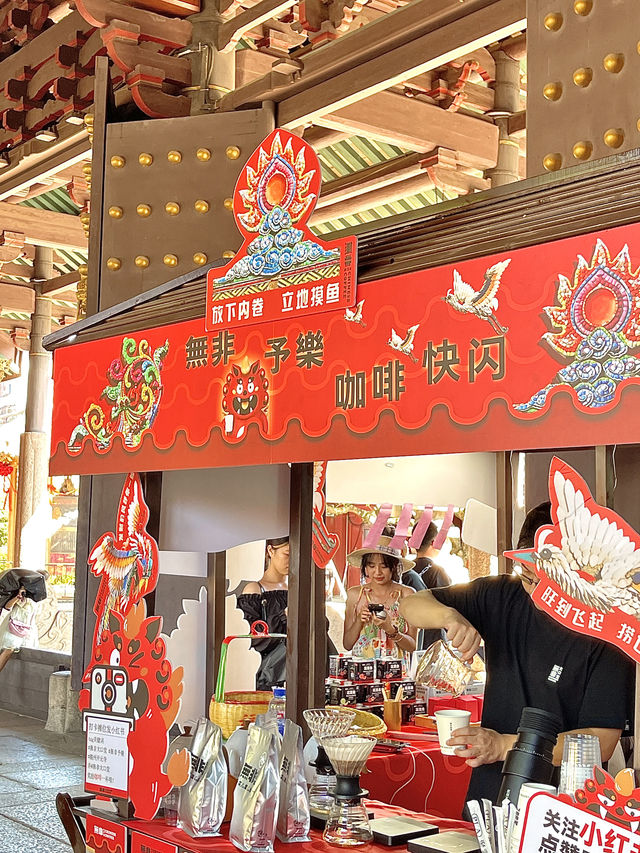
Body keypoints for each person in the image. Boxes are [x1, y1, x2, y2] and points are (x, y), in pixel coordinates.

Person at [400, 501, 633, 804]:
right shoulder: (501, 595)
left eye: (549, 581)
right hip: (490, 797)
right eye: (528, 577)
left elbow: (600, 742)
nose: (536, 593)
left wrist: (503, 746)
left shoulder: (606, 629)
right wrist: (449, 617)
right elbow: (411, 605)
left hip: (564, 805)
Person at [343, 534, 417, 660]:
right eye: (371, 566)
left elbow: (412, 646)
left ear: (394, 567)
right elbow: (347, 644)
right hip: (363, 674)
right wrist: (359, 621)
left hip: (396, 674)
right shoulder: (355, 595)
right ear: (365, 568)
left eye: (384, 566)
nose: (377, 572)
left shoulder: (406, 594)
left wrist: (391, 630)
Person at [236, 537, 289, 691]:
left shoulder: (298, 588)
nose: (291, 561)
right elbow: (252, 639)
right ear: (270, 551)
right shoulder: (254, 590)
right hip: (270, 673)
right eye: (287, 554)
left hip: (299, 670)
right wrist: (284, 616)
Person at [412, 520, 451, 649]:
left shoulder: (403, 570)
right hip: (433, 639)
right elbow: (449, 605)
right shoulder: (438, 571)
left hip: (407, 636)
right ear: (434, 542)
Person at [0, 584, 38, 674]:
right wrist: (18, 597)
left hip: (23, 631)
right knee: (9, 649)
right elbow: (7, 607)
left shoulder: (33, 601)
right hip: (12, 630)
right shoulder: (17, 597)